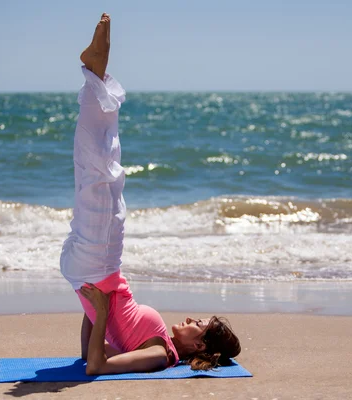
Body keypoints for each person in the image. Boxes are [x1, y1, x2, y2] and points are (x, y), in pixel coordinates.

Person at [60, 13, 241, 376]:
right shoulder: (162, 345)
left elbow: (94, 367)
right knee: (97, 174)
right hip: (92, 271)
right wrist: (91, 307)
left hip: (98, 265)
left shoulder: (160, 354)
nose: (190, 318)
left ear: (200, 345)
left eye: (198, 323)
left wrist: (100, 307)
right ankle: (95, 75)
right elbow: (86, 352)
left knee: (101, 175)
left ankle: (96, 74)